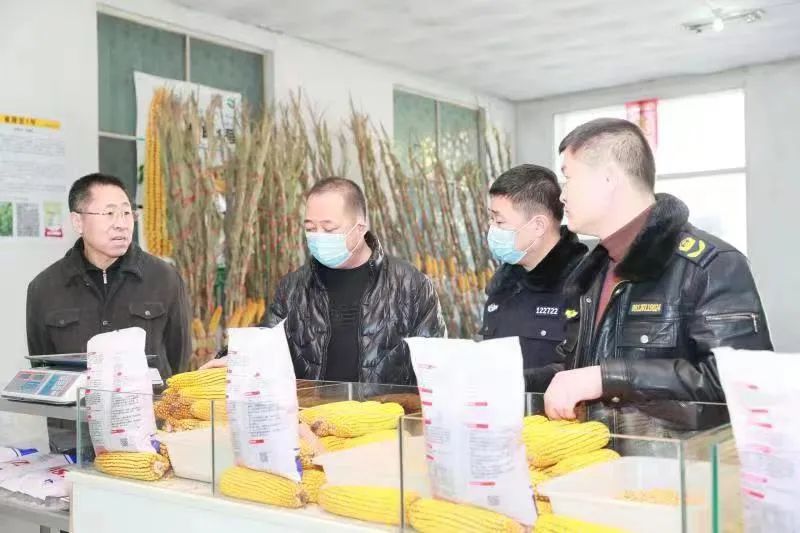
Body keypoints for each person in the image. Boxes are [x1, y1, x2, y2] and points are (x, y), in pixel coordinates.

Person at [545, 118, 772, 431]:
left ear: (608, 178)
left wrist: (609, 378)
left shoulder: (709, 266)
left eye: (568, 178)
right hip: (598, 457)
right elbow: (575, 372)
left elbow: (743, 385)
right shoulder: (592, 274)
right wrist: (512, 381)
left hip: (678, 460)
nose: (562, 195)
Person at [205, 177, 446, 385]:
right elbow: (266, 341)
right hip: (312, 420)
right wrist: (235, 358)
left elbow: (435, 369)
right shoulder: (294, 288)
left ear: (360, 228)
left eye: (329, 229)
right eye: (310, 228)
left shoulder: (411, 286)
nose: (318, 237)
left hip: (386, 421)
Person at [26, 173, 191, 380]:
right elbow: (43, 369)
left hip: (150, 401)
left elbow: (179, 363)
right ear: (78, 221)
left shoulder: (164, 278)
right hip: (77, 402)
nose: (121, 223)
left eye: (126, 213)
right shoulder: (44, 288)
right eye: (110, 213)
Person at [480, 164, 587, 392]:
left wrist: (515, 382)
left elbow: (584, 369)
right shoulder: (503, 287)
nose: (492, 229)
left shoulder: (585, 283)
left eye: (500, 222)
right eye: (491, 219)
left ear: (538, 226)